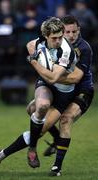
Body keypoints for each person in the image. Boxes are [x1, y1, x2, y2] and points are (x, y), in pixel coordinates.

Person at [0, 16, 77, 175]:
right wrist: (36, 55)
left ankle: (0, 155)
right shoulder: (40, 41)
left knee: (35, 119)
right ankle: (32, 148)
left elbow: (54, 77)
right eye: (54, 38)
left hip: (63, 93)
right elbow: (29, 44)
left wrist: (34, 62)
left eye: (61, 37)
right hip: (47, 84)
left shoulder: (66, 50)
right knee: (40, 107)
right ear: (46, 36)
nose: (59, 41)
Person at [26, 15, 94, 176]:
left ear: (79, 31)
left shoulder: (84, 48)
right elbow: (31, 45)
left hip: (82, 90)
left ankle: (56, 167)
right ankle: (57, 139)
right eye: (67, 32)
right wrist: (46, 67)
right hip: (61, 87)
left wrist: (48, 73)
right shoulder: (56, 41)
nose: (71, 35)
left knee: (65, 119)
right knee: (32, 109)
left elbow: (75, 78)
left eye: (74, 32)